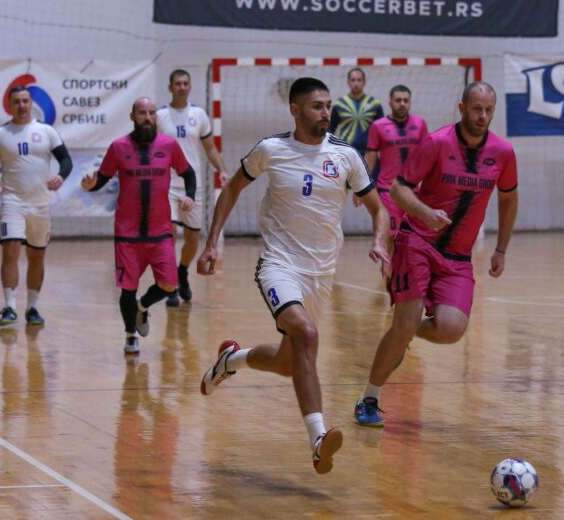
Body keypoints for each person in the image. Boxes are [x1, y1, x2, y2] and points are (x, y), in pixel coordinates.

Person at [197, 77, 390, 474]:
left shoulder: (346, 156)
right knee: (306, 334)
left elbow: (379, 209)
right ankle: (318, 438)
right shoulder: (271, 149)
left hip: (321, 273)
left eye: (328, 105)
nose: (326, 112)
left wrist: (378, 240)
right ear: (295, 110)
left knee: (289, 361)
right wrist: (212, 242)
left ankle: (231, 360)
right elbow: (231, 190)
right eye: (318, 106)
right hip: (279, 264)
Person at [354, 82, 519, 427]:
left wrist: (501, 248)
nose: (483, 116)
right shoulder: (437, 142)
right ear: (462, 108)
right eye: (477, 109)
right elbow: (398, 189)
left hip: (458, 257)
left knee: (451, 329)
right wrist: (425, 212)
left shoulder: (503, 152)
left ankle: (405, 332)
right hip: (417, 243)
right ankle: (369, 398)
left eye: (489, 110)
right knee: (406, 320)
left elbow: (508, 198)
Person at [81, 97, 197, 355]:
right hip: (128, 234)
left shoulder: (169, 145)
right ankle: (130, 335)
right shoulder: (118, 147)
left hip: (160, 232)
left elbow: (188, 173)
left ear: (156, 117)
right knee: (127, 288)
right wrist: (92, 185)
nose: (147, 117)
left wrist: (190, 195)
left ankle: (142, 307)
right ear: (132, 116)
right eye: (142, 113)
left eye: (151, 113)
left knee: (169, 285)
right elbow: (102, 178)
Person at [0, 85, 73, 327]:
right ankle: (9, 307)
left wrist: (61, 176)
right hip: (12, 201)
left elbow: (66, 160)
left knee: (37, 256)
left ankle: (32, 308)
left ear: (31, 103)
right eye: (17, 101)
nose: (22, 105)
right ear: (10, 105)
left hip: (40, 204)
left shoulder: (46, 131)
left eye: (25, 101)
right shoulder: (0, 134)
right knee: (11, 249)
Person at [156, 69, 229, 307]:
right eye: (177, 83)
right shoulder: (160, 116)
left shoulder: (199, 114)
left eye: (185, 83)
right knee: (168, 234)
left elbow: (210, 148)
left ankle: (182, 271)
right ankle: (170, 285)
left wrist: (221, 169)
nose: (181, 87)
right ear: (170, 87)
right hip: (167, 185)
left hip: (192, 185)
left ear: (190, 86)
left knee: (192, 237)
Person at [365, 85, 430, 235]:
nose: (402, 104)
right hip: (388, 191)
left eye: (405, 100)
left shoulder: (420, 124)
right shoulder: (378, 126)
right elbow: (370, 157)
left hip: (414, 192)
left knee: (415, 237)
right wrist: (361, 186)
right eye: (398, 100)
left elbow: (427, 157)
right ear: (390, 103)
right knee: (390, 237)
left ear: (410, 103)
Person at [330, 68, 383, 208]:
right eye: (353, 80)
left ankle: (380, 223)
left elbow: (383, 131)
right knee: (338, 196)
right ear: (348, 82)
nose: (356, 83)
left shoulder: (375, 104)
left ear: (364, 82)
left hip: (369, 156)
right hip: (346, 156)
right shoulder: (339, 105)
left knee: (376, 200)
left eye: (359, 80)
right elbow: (330, 130)